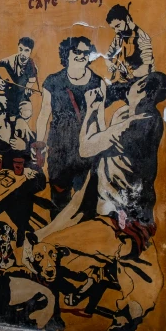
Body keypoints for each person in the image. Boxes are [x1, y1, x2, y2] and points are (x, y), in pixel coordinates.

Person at [31, 72, 166, 331]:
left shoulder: (142, 122)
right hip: (124, 222)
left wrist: (94, 108)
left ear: (144, 91)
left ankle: (55, 309)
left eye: (136, 85)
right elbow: (94, 157)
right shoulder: (123, 117)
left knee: (46, 250)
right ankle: (116, 323)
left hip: (120, 225)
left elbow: (86, 147)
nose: (129, 87)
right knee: (148, 287)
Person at [35, 36, 106, 210]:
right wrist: (39, 144)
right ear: (66, 53)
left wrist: (103, 151)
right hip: (59, 150)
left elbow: (100, 119)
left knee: (85, 202)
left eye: (85, 52)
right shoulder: (52, 81)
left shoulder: (98, 82)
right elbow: (44, 114)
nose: (82, 56)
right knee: (59, 201)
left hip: (86, 151)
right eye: (77, 51)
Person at [104, 3, 154, 85]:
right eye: (113, 28)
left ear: (127, 19)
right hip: (125, 81)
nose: (116, 31)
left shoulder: (142, 38)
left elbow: (146, 68)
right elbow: (107, 56)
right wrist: (110, 64)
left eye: (118, 26)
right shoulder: (119, 36)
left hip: (142, 83)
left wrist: (129, 73)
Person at [0, 37, 39, 116]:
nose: (22, 53)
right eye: (20, 49)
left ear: (31, 51)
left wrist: (27, 91)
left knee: (26, 113)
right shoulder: (10, 60)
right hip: (6, 94)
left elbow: (29, 86)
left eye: (26, 50)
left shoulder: (33, 68)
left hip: (21, 97)